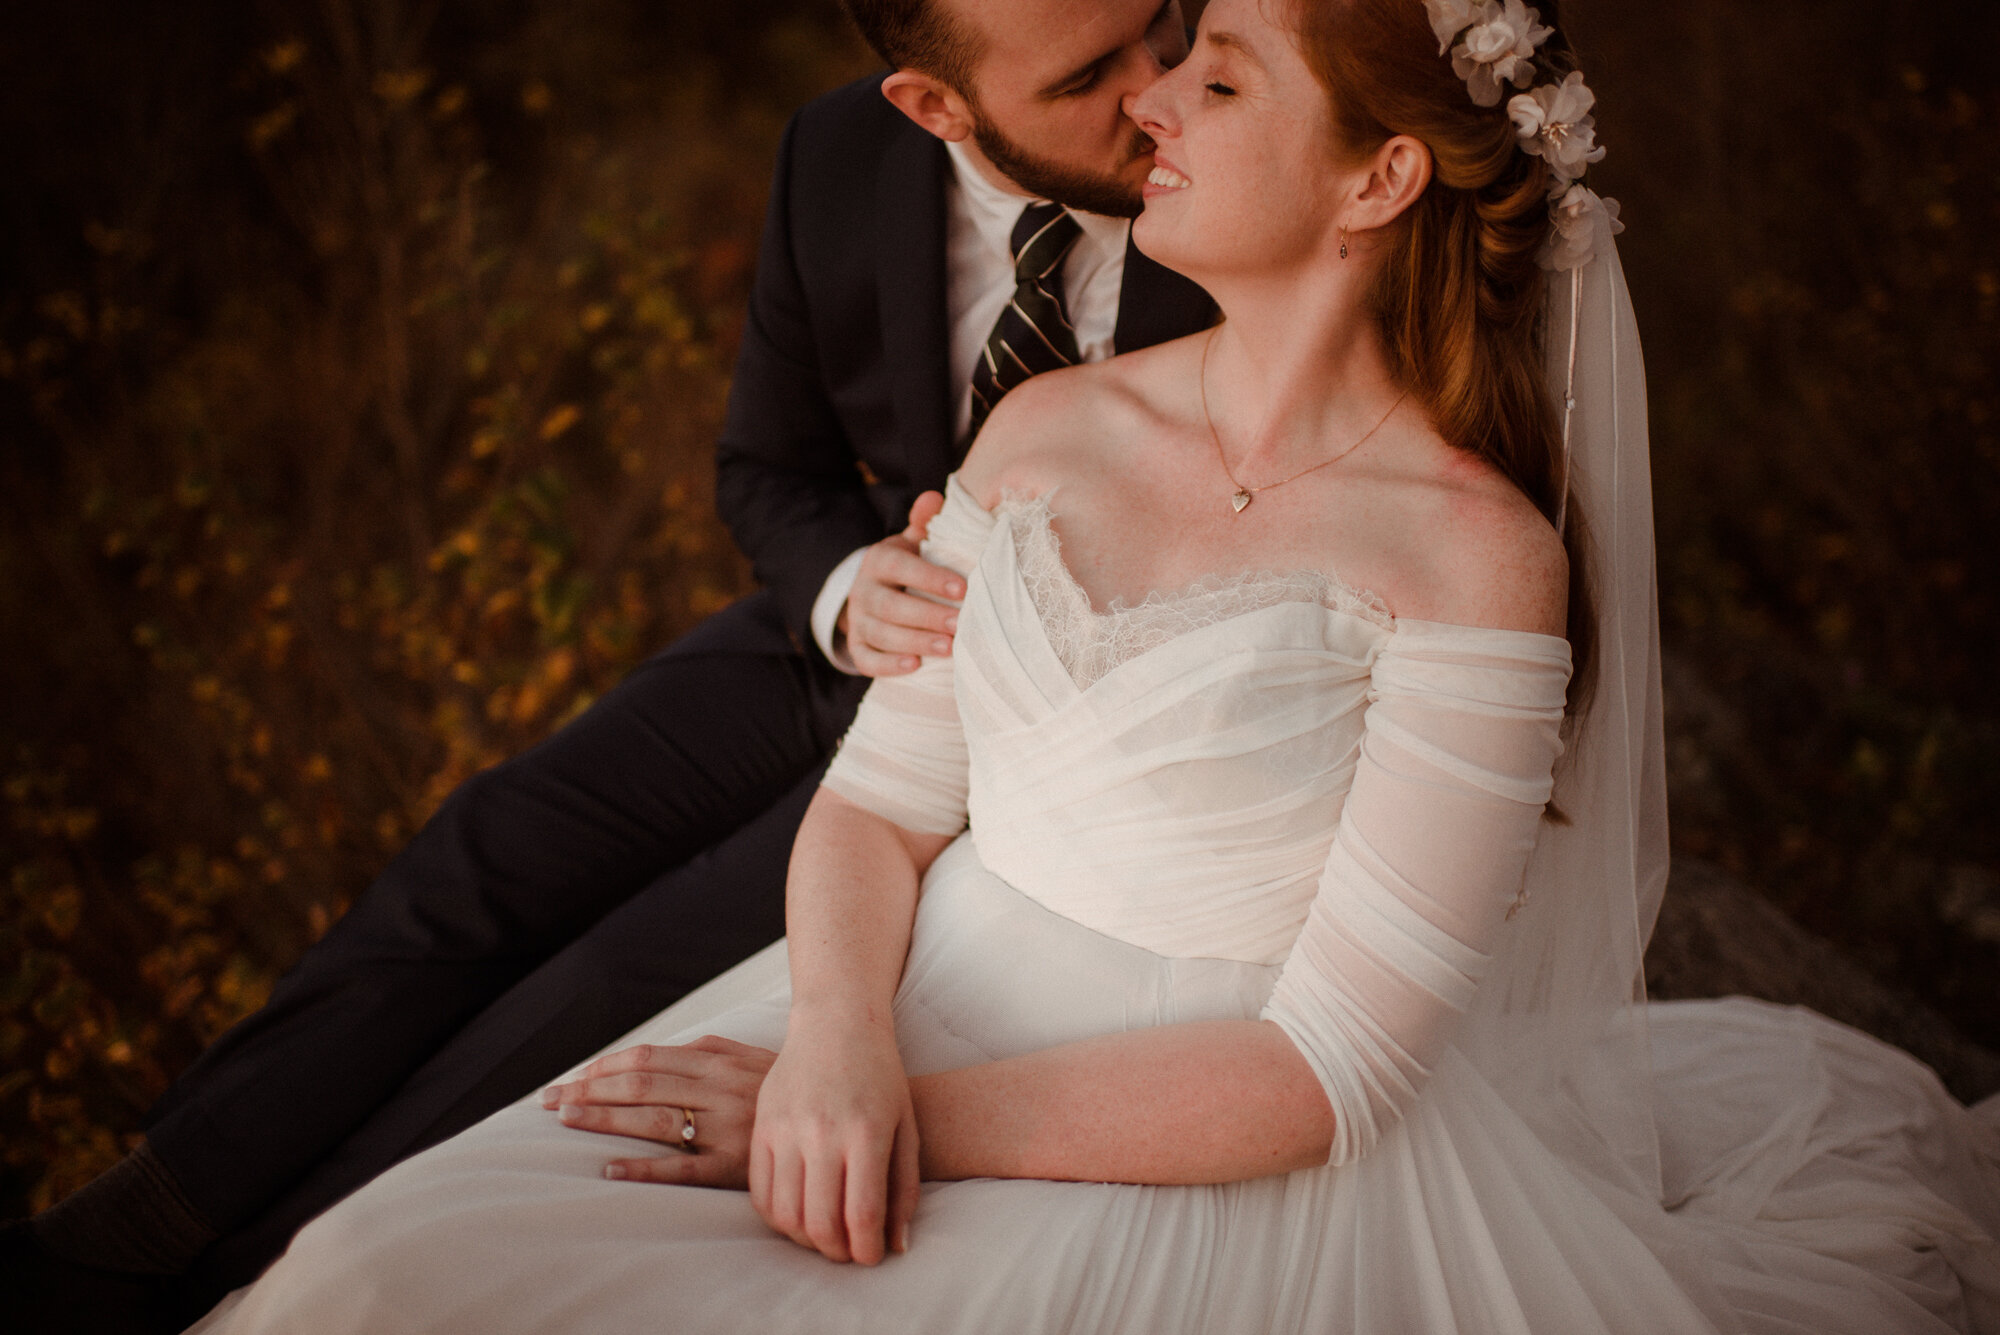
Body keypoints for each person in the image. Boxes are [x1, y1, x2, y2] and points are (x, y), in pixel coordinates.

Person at [187, 0, 2000, 1330]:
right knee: (377, 1274)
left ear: (1379, 178)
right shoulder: (1042, 429)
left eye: (1216, 77)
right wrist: (830, 1045)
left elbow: (1331, 1068)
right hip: (880, 1003)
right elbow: (879, 809)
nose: (1158, 109)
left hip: (1199, 1141)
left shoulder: (1475, 557)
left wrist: (911, 1120)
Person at [4, 0, 1213, 1325]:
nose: (1163, 83)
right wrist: (842, 587)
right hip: (835, 637)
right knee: (485, 855)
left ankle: (265, 1284)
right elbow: (767, 467)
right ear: (934, 108)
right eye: (1090, 76)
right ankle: (132, 1224)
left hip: (1041, 708)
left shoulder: (1239, 150)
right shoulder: (835, 159)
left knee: (610, 980)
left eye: (1159, 20)